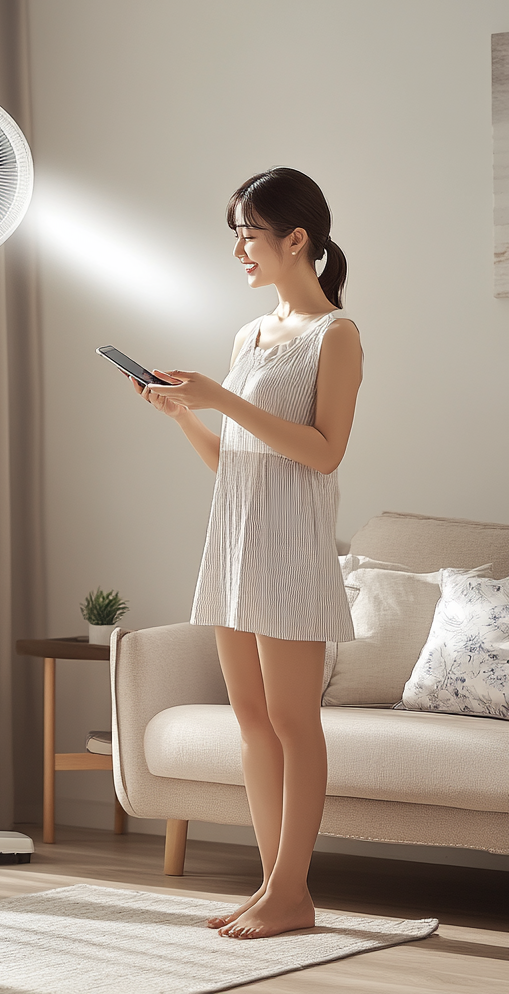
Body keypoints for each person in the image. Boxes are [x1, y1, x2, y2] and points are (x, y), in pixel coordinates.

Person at [133, 167, 362, 940]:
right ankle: (275, 887)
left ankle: (292, 892)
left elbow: (324, 454)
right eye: (235, 232)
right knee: (253, 721)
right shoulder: (248, 335)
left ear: (296, 239)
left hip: (292, 549)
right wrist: (179, 414)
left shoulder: (338, 336)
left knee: (296, 722)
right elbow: (234, 462)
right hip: (234, 542)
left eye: (250, 232)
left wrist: (221, 397)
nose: (239, 248)